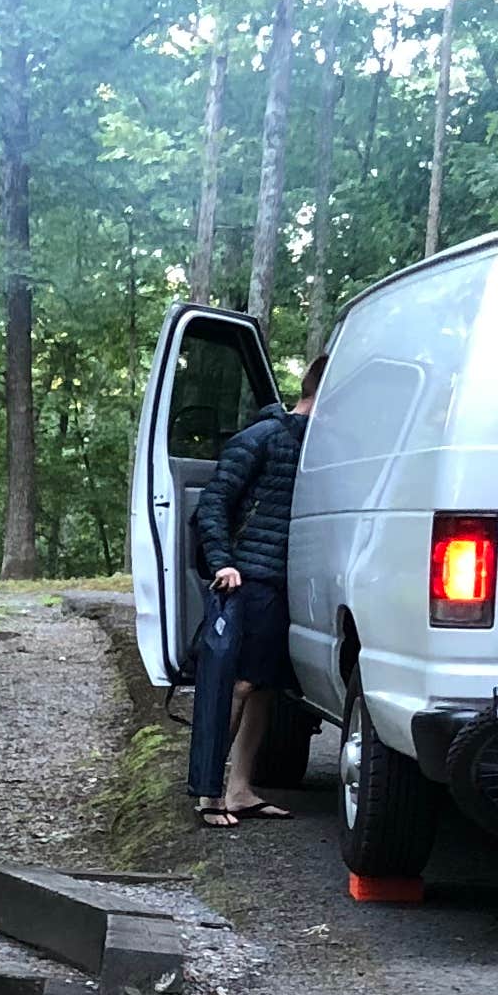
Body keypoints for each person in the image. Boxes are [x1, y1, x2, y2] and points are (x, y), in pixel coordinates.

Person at [187, 347, 321, 828]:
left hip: (287, 584)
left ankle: (240, 790)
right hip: (248, 579)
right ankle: (208, 793)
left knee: (263, 687)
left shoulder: (324, 447)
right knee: (238, 684)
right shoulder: (263, 436)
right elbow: (213, 502)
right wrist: (223, 562)